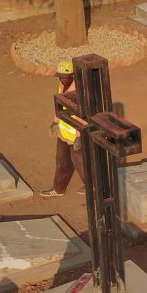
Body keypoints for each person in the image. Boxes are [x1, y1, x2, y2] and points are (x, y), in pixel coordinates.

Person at [38, 60, 85, 197]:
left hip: (75, 135)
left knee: (80, 163)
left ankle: (93, 187)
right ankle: (58, 188)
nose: (63, 80)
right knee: (61, 161)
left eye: (65, 77)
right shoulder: (61, 86)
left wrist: (79, 135)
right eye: (60, 77)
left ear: (73, 76)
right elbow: (59, 106)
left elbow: (83, 115)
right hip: (63, 133)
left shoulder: (79, 91)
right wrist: (55, 122)